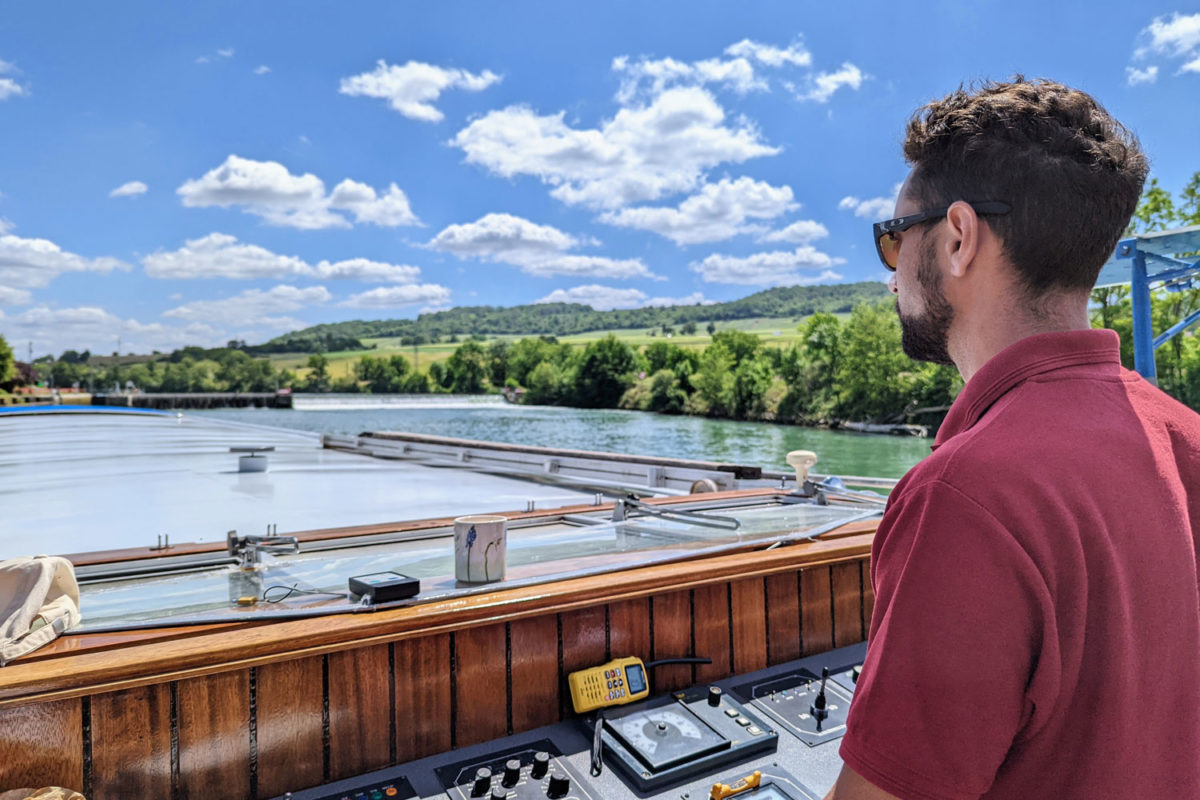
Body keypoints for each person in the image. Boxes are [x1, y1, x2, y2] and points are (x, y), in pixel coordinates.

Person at [825, 78, 1200, 799]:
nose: (892, 271)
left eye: (894, 238)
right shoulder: (1186, 439)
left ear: (959, 238)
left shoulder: (965, 495)